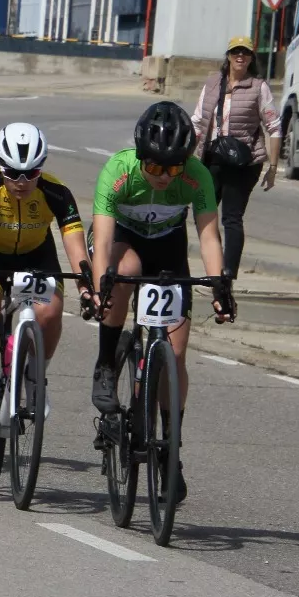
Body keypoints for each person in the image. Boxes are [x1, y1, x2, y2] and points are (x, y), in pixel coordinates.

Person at [90, 101, 234, 502]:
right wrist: (102, 284)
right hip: (125, 239)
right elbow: (101, 240)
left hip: (169, 247)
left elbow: (208, 236)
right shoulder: (118, 171)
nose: (163, 175)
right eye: (154, 167)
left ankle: (170, 448)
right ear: (140, 157)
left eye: (173, 168)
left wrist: (220, 285)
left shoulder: (197, 176)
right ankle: (105, 362)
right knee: (125, 273)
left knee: (177, 350)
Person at [0, 123, 93, 446]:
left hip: (36, 256)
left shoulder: (57, 192)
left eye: (30, 174)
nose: (21, 182)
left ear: (41, 168)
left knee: (50, 312)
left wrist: (87, 288)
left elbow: (75, 246)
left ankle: (34, 378)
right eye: (12, 173)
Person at [190, 35, 282, 278]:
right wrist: (186, 158)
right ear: (228, 56)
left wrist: (272, 167)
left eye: (245, 52)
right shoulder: (212, 83)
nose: (240, 56)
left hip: (244, 162)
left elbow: (274, 126)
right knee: (203, 213)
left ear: (252, 57)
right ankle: (215, 264)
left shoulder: (258, 87)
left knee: (232, 217)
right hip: (212, 158)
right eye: (235, 52)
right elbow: (198, 122)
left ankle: (227, 274)